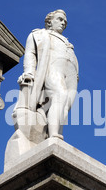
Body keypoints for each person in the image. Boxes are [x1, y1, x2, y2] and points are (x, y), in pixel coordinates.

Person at [18, 9, 79, 139]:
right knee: (59, 96)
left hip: (71, 78)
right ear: (50, 22)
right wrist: (29, 71)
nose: (63, 23)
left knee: (64, 107)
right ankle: (53, 135)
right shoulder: (39, 34)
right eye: (60, 19)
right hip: (52, 70)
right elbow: (30, 54)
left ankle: (52, 133)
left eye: (65, 22)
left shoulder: (67, 43)